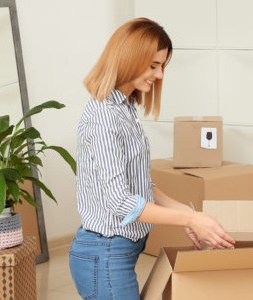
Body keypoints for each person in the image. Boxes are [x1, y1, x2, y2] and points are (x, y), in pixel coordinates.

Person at [69, 18, 235, 300]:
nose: (159, 76)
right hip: (105, 253)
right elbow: (121, 202)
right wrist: (188, 219)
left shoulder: (124, 108)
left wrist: (190, 216)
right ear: (129, 59)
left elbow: (142, 185)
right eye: (154, 65)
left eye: (162, 67)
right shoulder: (104, 118)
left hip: (117, 251)